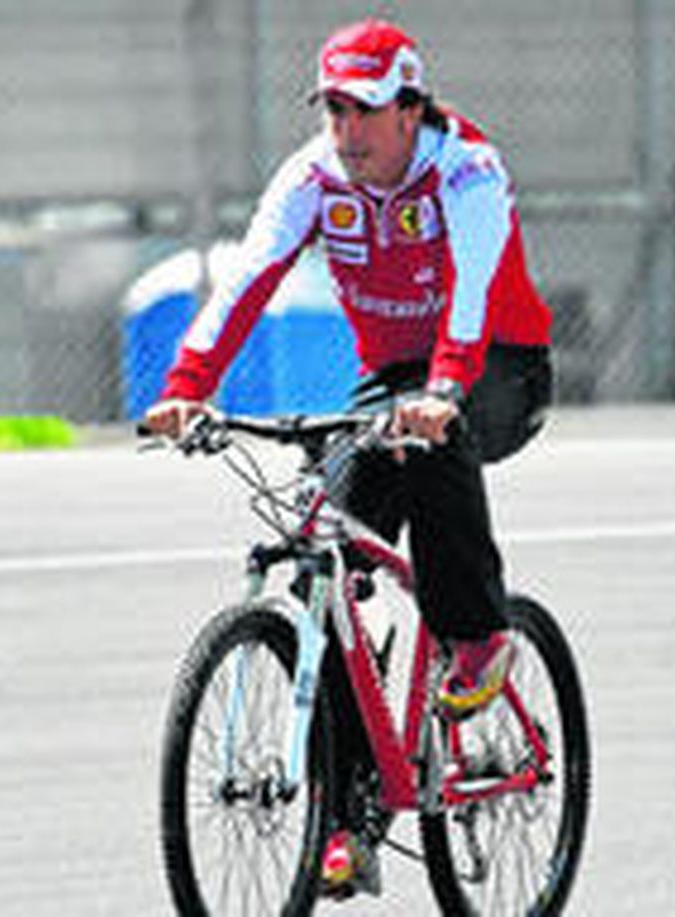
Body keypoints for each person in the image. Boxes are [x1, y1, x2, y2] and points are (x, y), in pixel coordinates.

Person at [141, 18, 553, 898]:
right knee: (321, 538)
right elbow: (247, 277)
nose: (347, 130)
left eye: (365, 111)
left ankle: (479, 636)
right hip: (393, 379)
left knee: (429, 444)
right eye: (333, 108)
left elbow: (472, 300)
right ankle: (352, 814)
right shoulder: (313, 177)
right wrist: (186, 384)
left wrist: (444, 392)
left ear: (410, 109)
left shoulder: (467, 171)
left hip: (499, 365)